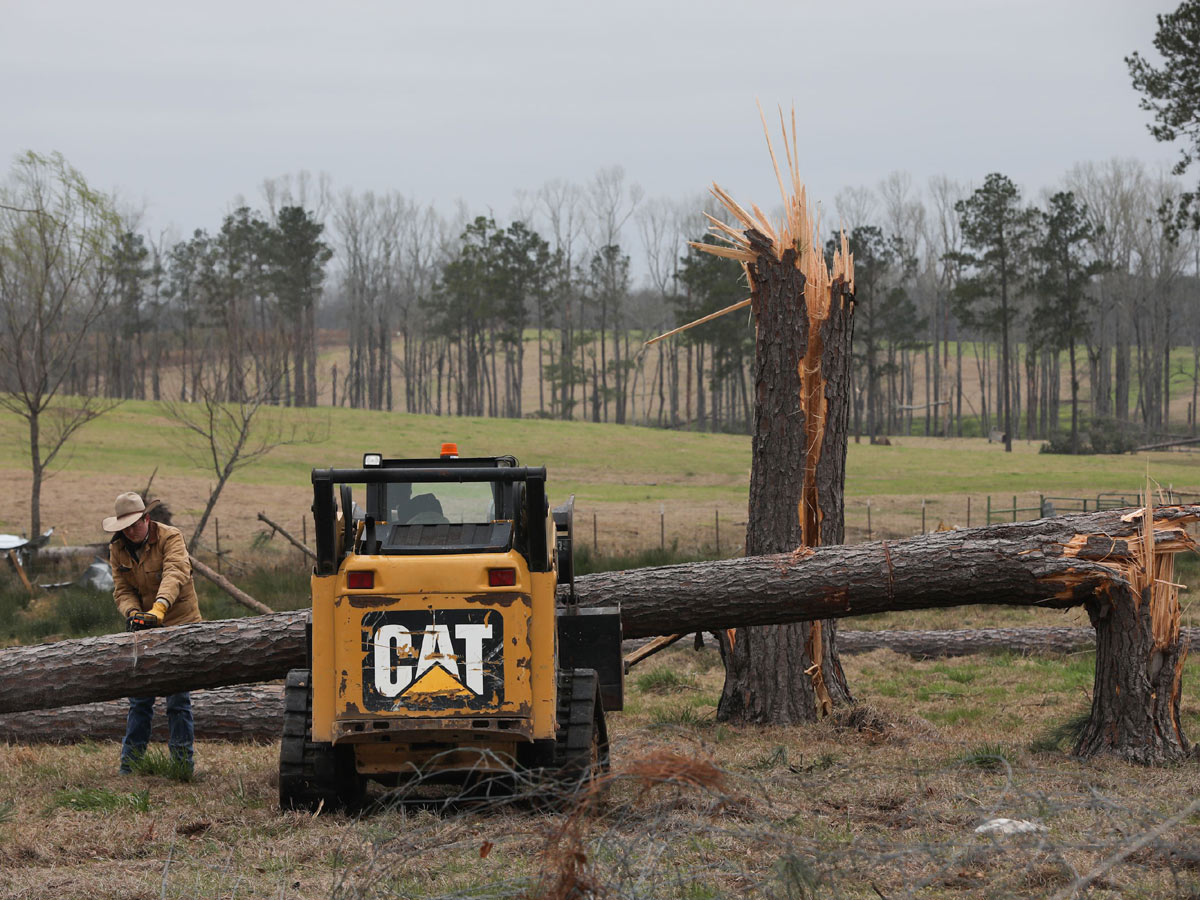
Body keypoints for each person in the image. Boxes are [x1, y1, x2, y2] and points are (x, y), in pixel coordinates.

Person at [102, 491, 202, 775]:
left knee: (177, 700)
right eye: (126, 526)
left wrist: (159, 608)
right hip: (144, 628)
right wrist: (134, 613)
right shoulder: (117, 548)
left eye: (135, 524)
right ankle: (130, 766)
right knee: (140, 700)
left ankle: (182, 766)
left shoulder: (171, 537)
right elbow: (122, 590)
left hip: (180, 623)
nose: (131, 531)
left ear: (147, 518)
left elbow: (176, 573)